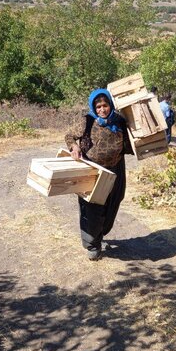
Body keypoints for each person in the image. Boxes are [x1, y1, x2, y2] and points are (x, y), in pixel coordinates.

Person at [65, 89, 133, 261]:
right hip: (92, 170)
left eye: (105, 105)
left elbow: (130, 144)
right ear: (93, 107)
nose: (102, 109)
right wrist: (74, 147)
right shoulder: (87, 121)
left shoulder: (119, 122)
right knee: (92, 207)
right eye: (99, 106)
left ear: (110, 105)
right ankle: (92, 244)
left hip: (116, 169)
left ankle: (99, 234)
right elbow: (69, 136)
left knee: (113, 203)